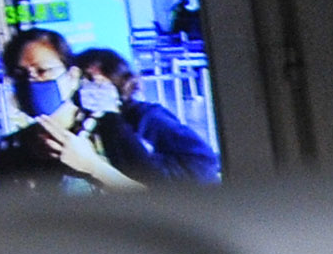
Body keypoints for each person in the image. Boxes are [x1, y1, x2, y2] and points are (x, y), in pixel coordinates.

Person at [0, 28, 154, 192]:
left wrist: (94, 167)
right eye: (20, 75)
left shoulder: (108, 128)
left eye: (42, 71)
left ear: (72, 77)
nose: (31, 80)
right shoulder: (10, 148)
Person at [72, 43, 224, 181]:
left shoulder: (147, 116)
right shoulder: (82, 124)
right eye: (84, 80)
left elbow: (203, 164)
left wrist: (112, 119)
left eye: (96, 82)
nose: (90, 90)